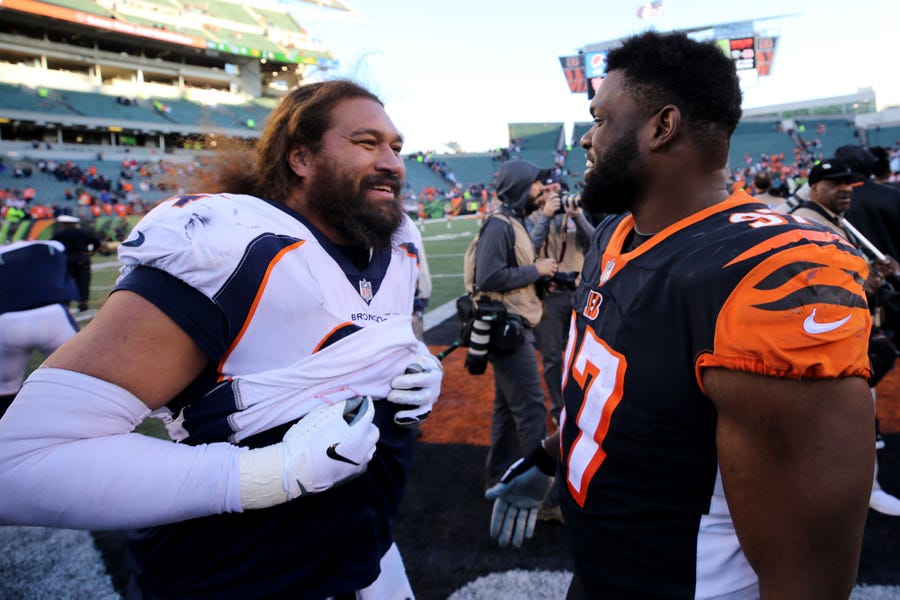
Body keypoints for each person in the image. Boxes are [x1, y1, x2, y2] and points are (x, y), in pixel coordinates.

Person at [0, 79, 442, 599]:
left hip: (362, 551)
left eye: (396, 146)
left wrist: (408, 362)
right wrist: (271, 472)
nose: (392, 161)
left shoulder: (398, 242)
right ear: (300, 158)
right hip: (233, 575)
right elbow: (20, 465)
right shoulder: (232, 244)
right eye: (367, 143)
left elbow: (352, 339)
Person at [487, 31, 874, 598]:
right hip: (604, 571)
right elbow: (631, 398)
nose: (588, 138)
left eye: (600, 118)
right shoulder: (619, 232)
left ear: (661, 127)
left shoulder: (765, 272)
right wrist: (551, 456)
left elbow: (809, 576)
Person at [789, 157, 900, 516]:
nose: (845, 190)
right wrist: (868, 284)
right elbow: (819, 289)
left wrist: (874, 276)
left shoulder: (833, 218)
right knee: (848, 413)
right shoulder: (807, 222)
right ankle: (860, 490)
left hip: (845, 329)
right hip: (829, 335)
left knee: (853, 412)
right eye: (836, 184)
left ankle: (861, 487)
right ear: (814, 187)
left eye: (848, 183)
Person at [474, 159, 558, 494]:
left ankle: (498, 478)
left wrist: (536, 278)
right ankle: (541, 495)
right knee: (531, 411)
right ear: (522, 185)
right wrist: (536, 272)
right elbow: (488, 277)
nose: (541, 190)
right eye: (537, 183)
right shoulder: (499, 224)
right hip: (506, 329)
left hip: (516, 324)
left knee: (507, 413)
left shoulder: (514, 221)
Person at [528, 173, 595, 426]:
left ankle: (583, 402)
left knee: (583, 351)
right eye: (546, 191)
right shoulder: (533, 217)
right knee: (553, 356)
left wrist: (578, 217)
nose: (551, 196)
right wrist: (545, 217)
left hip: (578, 290)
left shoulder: (574, 213)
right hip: (550, 295)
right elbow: (529, 250)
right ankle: (558, 408)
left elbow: (594, 241)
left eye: (556, 190)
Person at [0, 240, 79, 417]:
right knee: (77, 377)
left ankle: (6, 431)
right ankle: (79, 420)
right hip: (52, 315)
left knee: (5, 387)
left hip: (7, 321)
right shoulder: (50, 247)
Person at [51, 214, 103, 312]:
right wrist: (92, 253)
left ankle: (66, 303)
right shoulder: (84, 233)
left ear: (64, 224)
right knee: (84, 282)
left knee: (66, 283)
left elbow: (52, 247)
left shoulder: (59, 235)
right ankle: (83, 303)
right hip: (82, 258)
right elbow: (97, 243)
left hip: (66, 260)